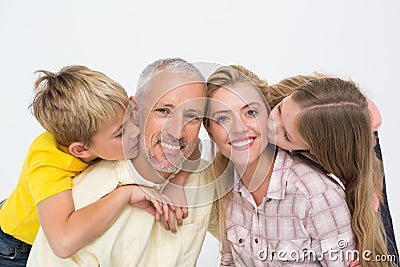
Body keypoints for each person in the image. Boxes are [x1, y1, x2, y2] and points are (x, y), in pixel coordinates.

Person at [27, 58, 219, 267]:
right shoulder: (62, 177)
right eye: (163, 110)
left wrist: (179, 180)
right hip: (14, 242)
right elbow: (63, 242)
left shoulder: (204, 178)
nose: (177, 132)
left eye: (192, 116)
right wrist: (124, 193)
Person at [0, 65, 171, 266]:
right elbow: (63, 243)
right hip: (16, 247)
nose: (135, 132)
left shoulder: (103, 129)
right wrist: (125, 194)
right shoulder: (46, 164)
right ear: (81, 150)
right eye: (120, 133)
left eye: (132, 117)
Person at [205, 65, 356, 266]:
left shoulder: (315, 194)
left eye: (250, 112)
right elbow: (229, 261)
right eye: (223, 118)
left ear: (268, 115)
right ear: (209, 131)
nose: (239, 128)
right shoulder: (226, 190)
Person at [268, 74, 398, 266]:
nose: (271, 126)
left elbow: (363, 198)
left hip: (356, 137)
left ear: (313, 150)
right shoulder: (280, 98)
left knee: (377, 241)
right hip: (327, 99)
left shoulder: (347, 156)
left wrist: (367, 252)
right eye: (278, 111)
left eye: (286, 136)